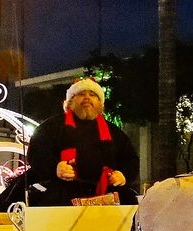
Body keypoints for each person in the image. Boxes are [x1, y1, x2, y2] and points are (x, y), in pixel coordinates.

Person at [23, 77, 140, 207]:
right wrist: (55, 167)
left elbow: (130, 159)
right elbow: (37, 153)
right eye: (81, 94)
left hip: (107, 195)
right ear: (70, 102)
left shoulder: (114, 132)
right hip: (61, 196)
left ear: (100, 104)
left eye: (92, 95)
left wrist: (123, 175)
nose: (87, 98)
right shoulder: (52, 126)